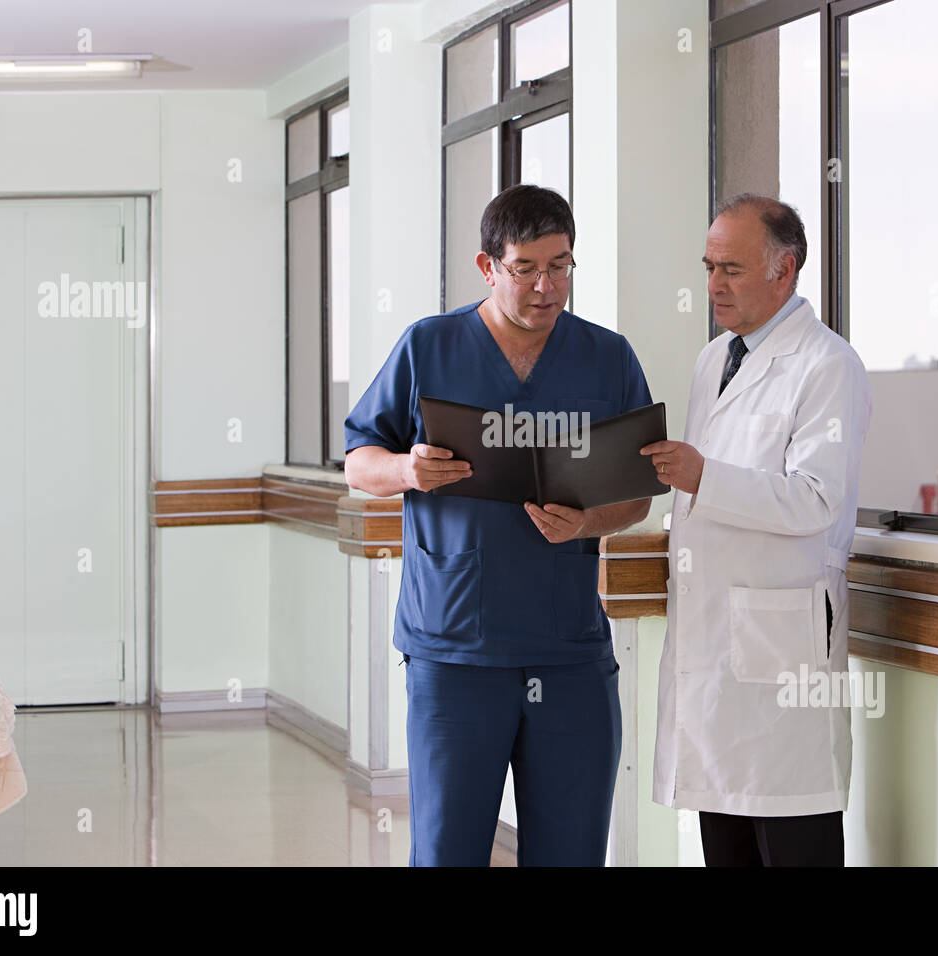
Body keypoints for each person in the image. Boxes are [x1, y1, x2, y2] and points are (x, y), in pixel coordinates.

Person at [343, 184, 654, 866]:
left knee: (571, 851)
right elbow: (358, 464)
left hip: (567, 653)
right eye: (526, 269)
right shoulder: (429, 346)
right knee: (449, 851)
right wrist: (407, 471)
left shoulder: (607, 358)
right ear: (488, 268)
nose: (547, 287)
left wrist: (584, 524)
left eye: (562, 266)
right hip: (454, 653)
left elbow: (637, 497)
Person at [641, 194, 871, 866]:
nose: (713, 285)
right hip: (716, 646)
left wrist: (702, 476)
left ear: (785, 269)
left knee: (793, 839)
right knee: (728, 840)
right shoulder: (715, 360)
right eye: (709, 267)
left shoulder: (829, 366)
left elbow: (816, 499)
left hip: (782, 649)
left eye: (732, 269)